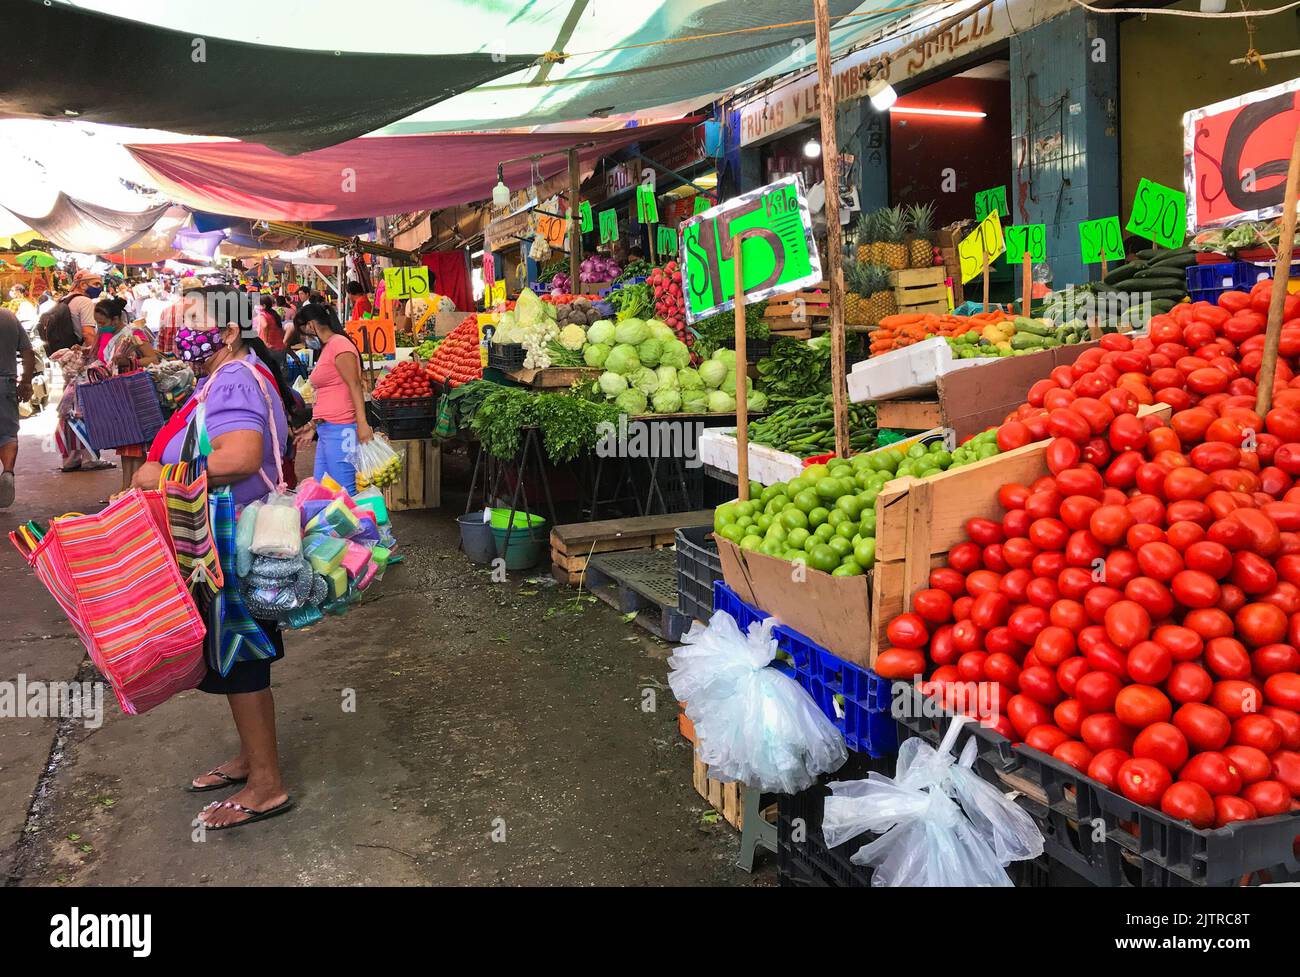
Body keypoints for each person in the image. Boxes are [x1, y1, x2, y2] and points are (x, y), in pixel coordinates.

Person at [132, 286, 296, 831]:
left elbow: (242, 455)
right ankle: (252, 759)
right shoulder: (234, 373)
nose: (183, 328)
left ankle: (267, 785)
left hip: (234, 544)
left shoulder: (231, 378)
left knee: (242, 656)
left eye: (194, 319)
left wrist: (163, 476)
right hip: (225, 539)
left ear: (227, 331)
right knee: (233, 656)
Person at [296, 302, 372, 493]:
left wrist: (362, 424)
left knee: (344, 493)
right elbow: (330, 392)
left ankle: (358, 524)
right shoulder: (330, 346)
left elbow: (354, 385)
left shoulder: (339, 345)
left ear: (311, 325)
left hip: (342, 428)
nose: (304, 336)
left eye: (303, 330)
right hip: (327, 429)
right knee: (323, 491)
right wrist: (313, 425)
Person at [0, 307, 36, 508]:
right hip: (5, 383)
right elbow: (28, 352)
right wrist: (26, 382)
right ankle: (7, 471)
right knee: (7, 434)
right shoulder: (8, 317)